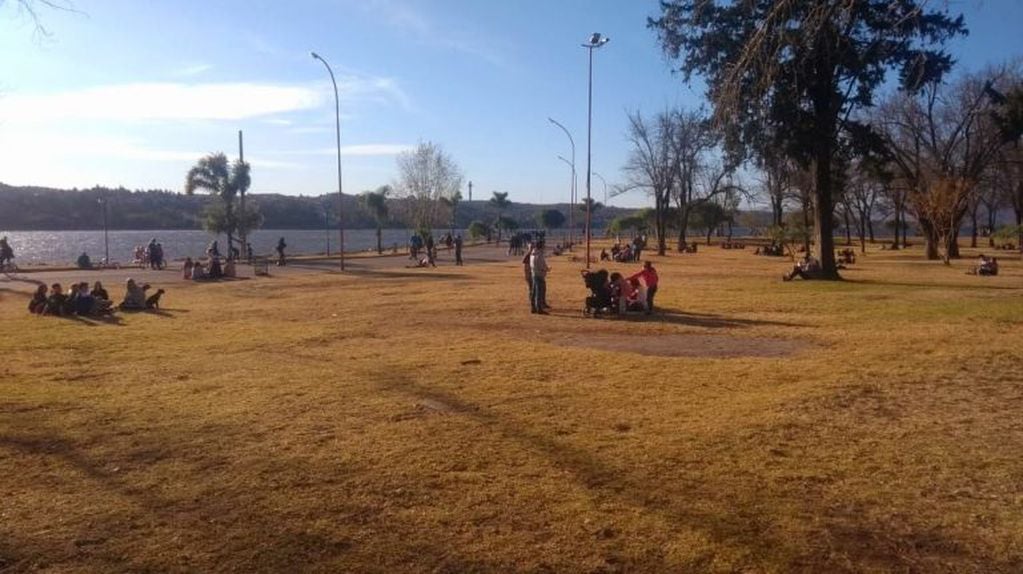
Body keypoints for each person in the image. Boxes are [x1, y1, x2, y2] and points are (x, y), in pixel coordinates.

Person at [530, 241, 550, 315]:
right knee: (539, 292)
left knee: (534, 292)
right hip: (539, 275)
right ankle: (539, 308)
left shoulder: (532, 254)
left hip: (534, 274)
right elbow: (541, 265)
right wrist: (547, 269)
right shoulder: (539, 255)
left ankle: (533, 307)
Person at [522, 242, 534, 310]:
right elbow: (525, 268)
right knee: (531, 289)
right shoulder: (527, 256)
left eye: (533, 247)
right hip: (530, 275)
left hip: (534, 275)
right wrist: (527, 276)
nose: (532, 249)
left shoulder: (533, 255)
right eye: (531, 247)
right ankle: (532, 303)